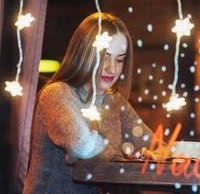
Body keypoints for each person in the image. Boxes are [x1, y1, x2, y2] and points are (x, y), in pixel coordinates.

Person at [23, 12, 159, 193]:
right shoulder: (57, 94)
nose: (112, 68)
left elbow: (153, 146)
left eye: (120, 59)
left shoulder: (115, 101)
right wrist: (122, 154)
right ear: (84, 52)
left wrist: (179, 154)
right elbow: (83, 146)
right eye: (105, 57)